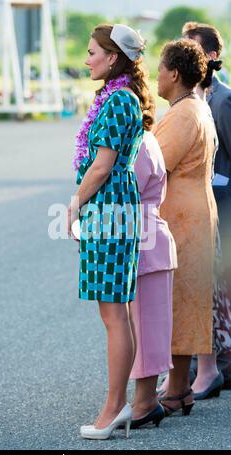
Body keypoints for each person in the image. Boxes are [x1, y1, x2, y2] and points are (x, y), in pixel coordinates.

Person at [68, 23, 154, 440]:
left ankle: (114, 407)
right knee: (114, 310)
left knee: (114, 311)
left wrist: (75, 203)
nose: (86, 60)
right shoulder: (118, 96)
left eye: (91, 52)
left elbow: (102, 164)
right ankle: (118, 404)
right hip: (114, 207)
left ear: (113, 57)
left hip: (111, 208)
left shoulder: (120, 100)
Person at [153, 39, 218, 415]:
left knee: (178, 300)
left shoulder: (182, 114)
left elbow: (156, 165)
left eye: (159, 69)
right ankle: (180, 389)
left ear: (174, 74)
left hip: (183, 215)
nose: (155, 77)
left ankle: (176, 390)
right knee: (187, 299)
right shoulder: (196, 106)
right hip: (196, 209)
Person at [183, 22, 231, 392]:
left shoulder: (223, 99)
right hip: (198, 209)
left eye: (194, 49)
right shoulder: (190, 99)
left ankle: (221, 364)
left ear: (212, 56)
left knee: (222, 286)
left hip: (223, 205)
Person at [126, 130, 177, 428]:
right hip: (150, 236)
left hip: (145, 239)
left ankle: (145, 402)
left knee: (145, 328)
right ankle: (144, 400)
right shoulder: (147, 139)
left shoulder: (140, 143)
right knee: (148, 326)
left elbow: (126, 189)